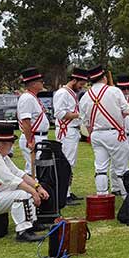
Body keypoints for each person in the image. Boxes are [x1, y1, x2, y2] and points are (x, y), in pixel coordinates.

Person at [0, 123, 48, 242]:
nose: (12, 145)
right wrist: (33, 192)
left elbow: (19, 173)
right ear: (3, 144)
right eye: (11, 142)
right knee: (22, 194)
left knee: (25, 191)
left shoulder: (1, 156)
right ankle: (23, 232)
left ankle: (32, 222)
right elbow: (12, 181)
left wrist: (38, 187)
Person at [80, 65, 129, 197]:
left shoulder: (85, 97)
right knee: (122, 168)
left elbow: (86, 123)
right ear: (104, 78)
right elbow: (127, 111)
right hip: (115, 133)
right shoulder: (114, 91)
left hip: (96, 134)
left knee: (101, 168)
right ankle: (127, 197)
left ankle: (102, 196)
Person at [53, 67, 87, 205]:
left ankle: (67, 191)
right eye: (80, 83)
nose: (81, 86)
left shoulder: (70, 93)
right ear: (74, 80)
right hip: (66, 131)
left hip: (72, 130)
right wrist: (80, 115)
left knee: (70, 163)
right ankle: (64, 195)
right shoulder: (63, 93)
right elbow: (60, 114)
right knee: (66, 163)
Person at [16, 67, 50, 175]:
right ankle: (31, 191)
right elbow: (26, 121)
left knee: (35, 168)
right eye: (40, 81)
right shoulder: (27, 98)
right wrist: (30, 140)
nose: (42, 83)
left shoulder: (32, 97)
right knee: (35, 169)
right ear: (33, 83)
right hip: (34, 137)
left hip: (38, 136)